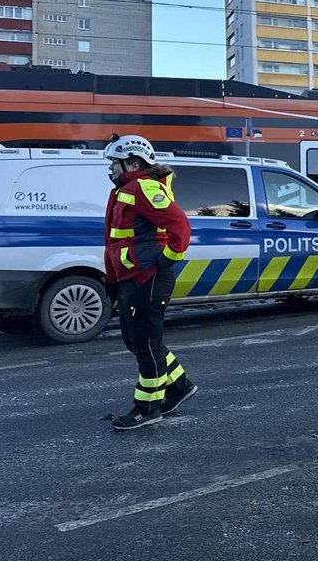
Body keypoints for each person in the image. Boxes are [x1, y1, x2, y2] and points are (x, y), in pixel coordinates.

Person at [103, 135, 196, 430]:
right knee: (136, 340)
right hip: (133, 275)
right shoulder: (125, 189)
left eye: (115, 163)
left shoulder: (143, 187)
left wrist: (168, 258)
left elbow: (179, 224)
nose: (111, 169)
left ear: (133, 161)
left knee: (145, 343)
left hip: (149, 275)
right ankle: (179, 386)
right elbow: (115, 241)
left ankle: (147, 407)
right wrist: (114, 279)